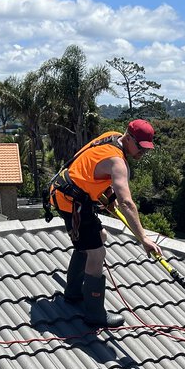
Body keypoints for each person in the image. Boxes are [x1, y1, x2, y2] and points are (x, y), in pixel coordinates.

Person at [46, 119, 163, 327]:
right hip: (72, 202)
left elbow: (93, 169)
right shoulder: (118, 162)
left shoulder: (111, 136)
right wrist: (143, 238)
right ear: (128, 138)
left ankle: (73, 292)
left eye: (146, 150)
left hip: (66, 190)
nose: (142, 153)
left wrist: (108, 197)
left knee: (99, 237)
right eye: (140, 148)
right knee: (97, 252)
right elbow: (127, 203)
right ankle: (94, 314)